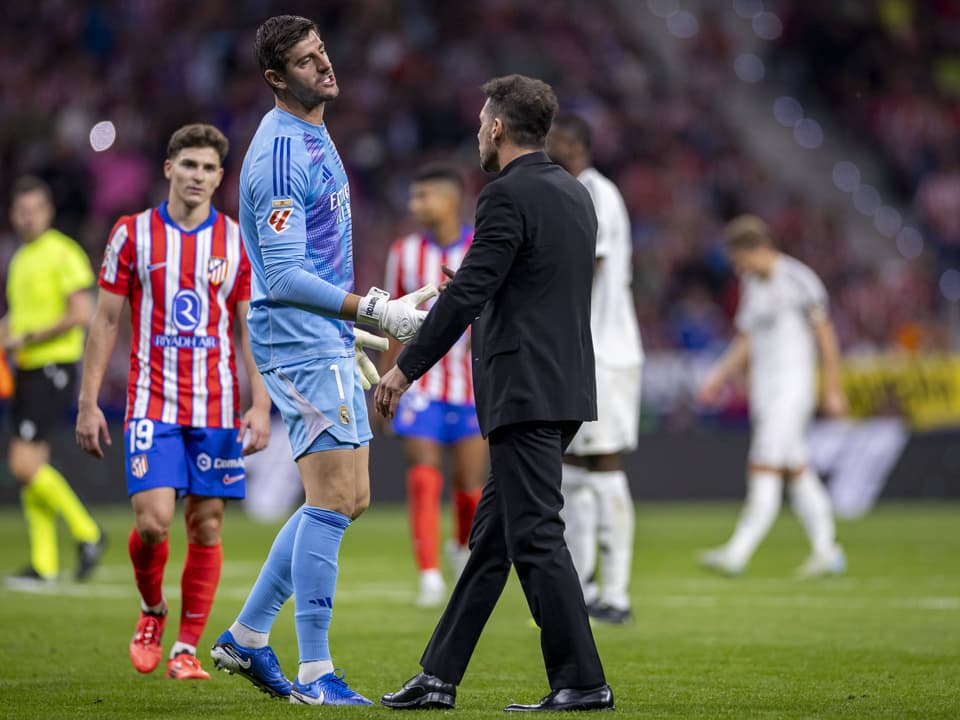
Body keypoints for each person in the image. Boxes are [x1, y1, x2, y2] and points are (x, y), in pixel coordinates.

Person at [207, 15, 435, 706]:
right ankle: (314, 674)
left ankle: (246, 639)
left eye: (323, 52)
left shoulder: (312, 131)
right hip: (297, 338)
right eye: (307, 62)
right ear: (277, 78)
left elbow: (313, 254)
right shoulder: (280, 152)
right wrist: (374, 311)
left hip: (320, 336)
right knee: (336, 497)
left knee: (346, 498)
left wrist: (353, 324)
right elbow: (278, 276)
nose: (325, 67)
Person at [377, 74, 613, 713]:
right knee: (492, 543)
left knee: (535, 534)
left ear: (500, 129)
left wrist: (405, 370)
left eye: (484, 122)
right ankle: (438, 677)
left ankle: (583, 679)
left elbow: (469, 295)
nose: (480, 131)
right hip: (562, 384)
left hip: (524, 387)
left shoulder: (505, 195)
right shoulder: (572, 193)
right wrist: (483, 281)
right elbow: (535, 283)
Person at [75, 124, 272, 681]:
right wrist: (88, 403)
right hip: (151, 403)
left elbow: (247, 330)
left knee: (206, 527)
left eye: (210, 168)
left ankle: (186, 648)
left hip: (215, 407)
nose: (199, 177)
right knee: (156, 523)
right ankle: (152, 610)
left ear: (220, 177)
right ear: (168, 169)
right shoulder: (132, 234)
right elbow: (106, 320)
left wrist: (260, 406)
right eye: (189, 165)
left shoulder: (236, 239)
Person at [698, 215, 848, 577]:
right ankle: (827, 550)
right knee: (796, 469)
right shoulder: (752, 283)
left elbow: (826, 336)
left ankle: (738, 552)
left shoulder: (799, 279)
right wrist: (718, 376)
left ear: (759, 249)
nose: (737, 268)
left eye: (740, 259)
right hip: (767, 391)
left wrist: (832, 388)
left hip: (792, 389)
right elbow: (746, 339)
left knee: (764, 464)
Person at [547, 114, 643, 625]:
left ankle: (618, 591)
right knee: (577, 469)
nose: (548, 146)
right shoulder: (577, 189)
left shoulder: (595, 192)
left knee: (603, 462)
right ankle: (583, 585)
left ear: (576, 144)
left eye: (555, 140)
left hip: (607, 350)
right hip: (585, 351)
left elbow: (593, 263)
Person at [381, 164, 486, 608]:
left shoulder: (481, 248)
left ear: (450, 200)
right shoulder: (403, 252)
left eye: (423, 196)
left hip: (472, 382)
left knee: (470, 482)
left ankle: (459, 548)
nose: (414, 205)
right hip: (420, 380)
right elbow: (390, 319)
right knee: (423, 473)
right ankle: (427, 574)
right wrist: (389, 378)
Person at [2, 176, 106, 585]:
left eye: (34, 210)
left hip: (53, 366)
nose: (27, 218)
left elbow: (81, 312)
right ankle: (43, 564)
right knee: (34, 469)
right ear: (14, 214)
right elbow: (21, 317)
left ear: (47, 212)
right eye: (21, 211)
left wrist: (26, 336)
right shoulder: (20, 257)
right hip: (26, 369)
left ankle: (88, 531)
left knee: (22, 463)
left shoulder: (63, 253)